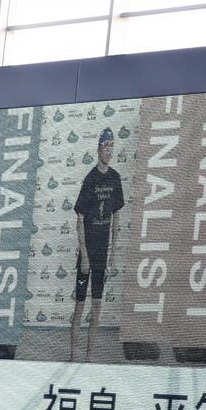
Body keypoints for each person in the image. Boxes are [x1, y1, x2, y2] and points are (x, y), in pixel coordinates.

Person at [70, 127, 124, 361]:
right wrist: (84, 255)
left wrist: (112, 254)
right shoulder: (90, 179)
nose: (108, 152)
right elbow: (80, 219)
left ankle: (89, 358)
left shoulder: (115, 178)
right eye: (105, 148)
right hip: (87, 253)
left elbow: (116, 218)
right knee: (80, 307)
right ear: (98, 150)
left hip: (102, 254)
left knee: (97, 307)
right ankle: (73, 356)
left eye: (112, 148)